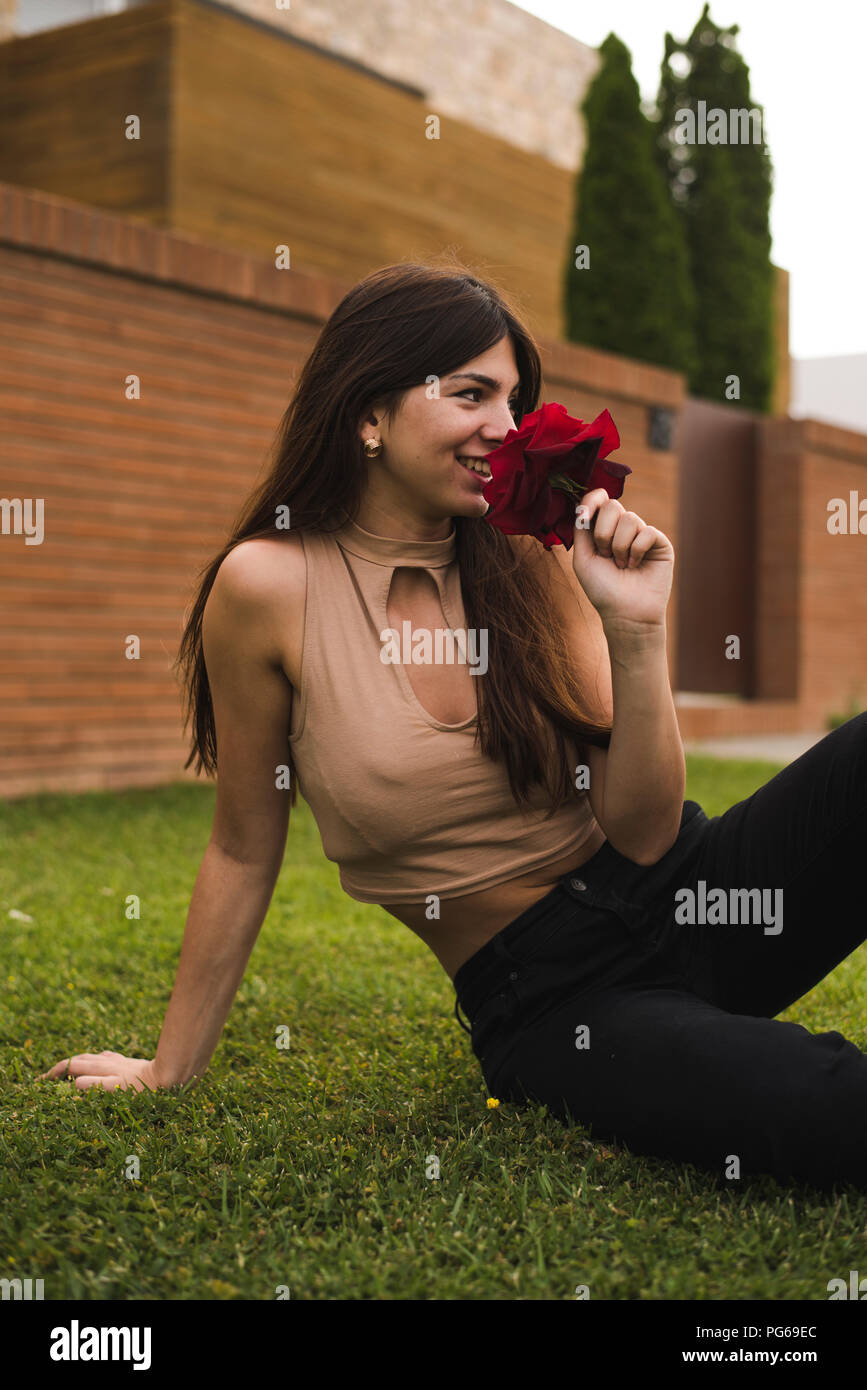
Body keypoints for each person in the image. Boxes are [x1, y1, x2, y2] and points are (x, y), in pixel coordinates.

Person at [41, 263, 867, 1192]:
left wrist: (635, 632)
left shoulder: (533, 560)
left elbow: (641, 832)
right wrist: (168, 1067)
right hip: (561, 997)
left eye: (512, 400)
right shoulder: (266, 588)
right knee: (829, 1106)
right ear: (369, 414)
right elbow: (241, 846)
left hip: (700, 891)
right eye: (470, 393)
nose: (504, 428)